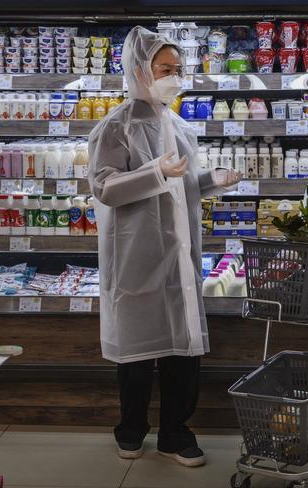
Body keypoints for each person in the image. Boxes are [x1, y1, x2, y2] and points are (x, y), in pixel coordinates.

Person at [88, 26, 241, 467]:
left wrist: (211, 181)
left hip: (179, 254)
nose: (175, 77)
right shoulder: (115, 126)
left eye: (179, 69)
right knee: (137, 352)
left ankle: (177, 432)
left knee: (183, 348)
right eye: (165, 69)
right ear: (139, 70)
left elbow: (183, 187)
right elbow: (105, 187)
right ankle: (131, 430)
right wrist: (155, 172)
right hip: (136, 255)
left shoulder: (179, 126)